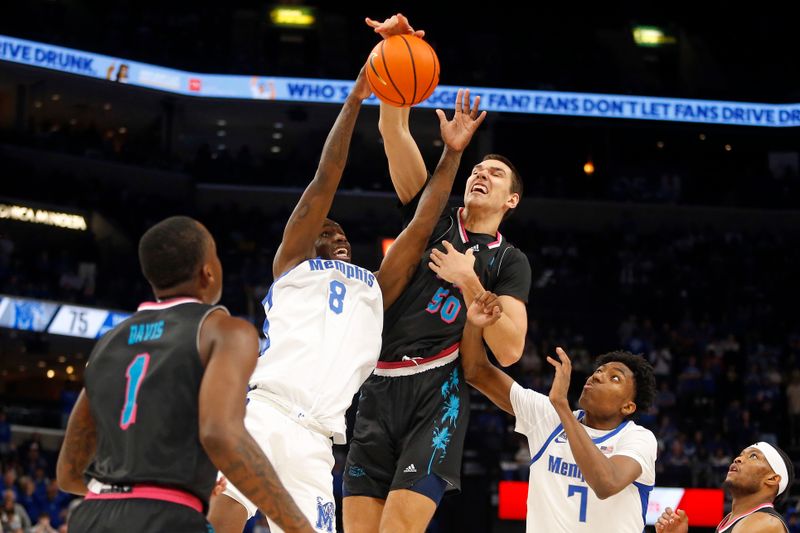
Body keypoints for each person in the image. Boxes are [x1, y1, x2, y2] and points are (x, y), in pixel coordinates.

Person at [208, 65, 487, 533]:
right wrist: (355, 99)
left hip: (319, 440)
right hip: (266, 413)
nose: (337, 234)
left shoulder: (375, 287)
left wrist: (452, 154)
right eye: (326, 230)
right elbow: (326, 176)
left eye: (341, 232)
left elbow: (420, 227)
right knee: (223, 516)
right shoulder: (293, 264)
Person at [343, 14, 532, 532]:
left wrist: (468, 280)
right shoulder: (430, 215)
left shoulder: (508, 261)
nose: (480, 174)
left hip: (437, 392)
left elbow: (511, 349)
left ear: (511, 199)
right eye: (477, 168)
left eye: (494, 174)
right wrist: (394, 49)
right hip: (377, 384)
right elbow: (392, 127)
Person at [56, 215, 312, 533]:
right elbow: (221, 434)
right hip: (166, 519)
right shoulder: (224, 331)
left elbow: (68, 473)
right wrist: (301, 527)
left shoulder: (108, 343)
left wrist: (173, 482)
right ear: (208, 272)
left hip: (92, 517)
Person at [460, 291, 657, 532]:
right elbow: (475, 371)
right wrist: (473, 324)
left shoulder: (638, 439)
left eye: (614, 378)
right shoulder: (547, 415)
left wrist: (562, 406)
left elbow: (607, 483)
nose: (598, 375)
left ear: (628, 406)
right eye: (599, 370)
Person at [655, 442, 794, 533]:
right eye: (740, 455)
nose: (738, 459)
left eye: (753, 456)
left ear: (772, 479)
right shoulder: (729, 522)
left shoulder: (767, 523)